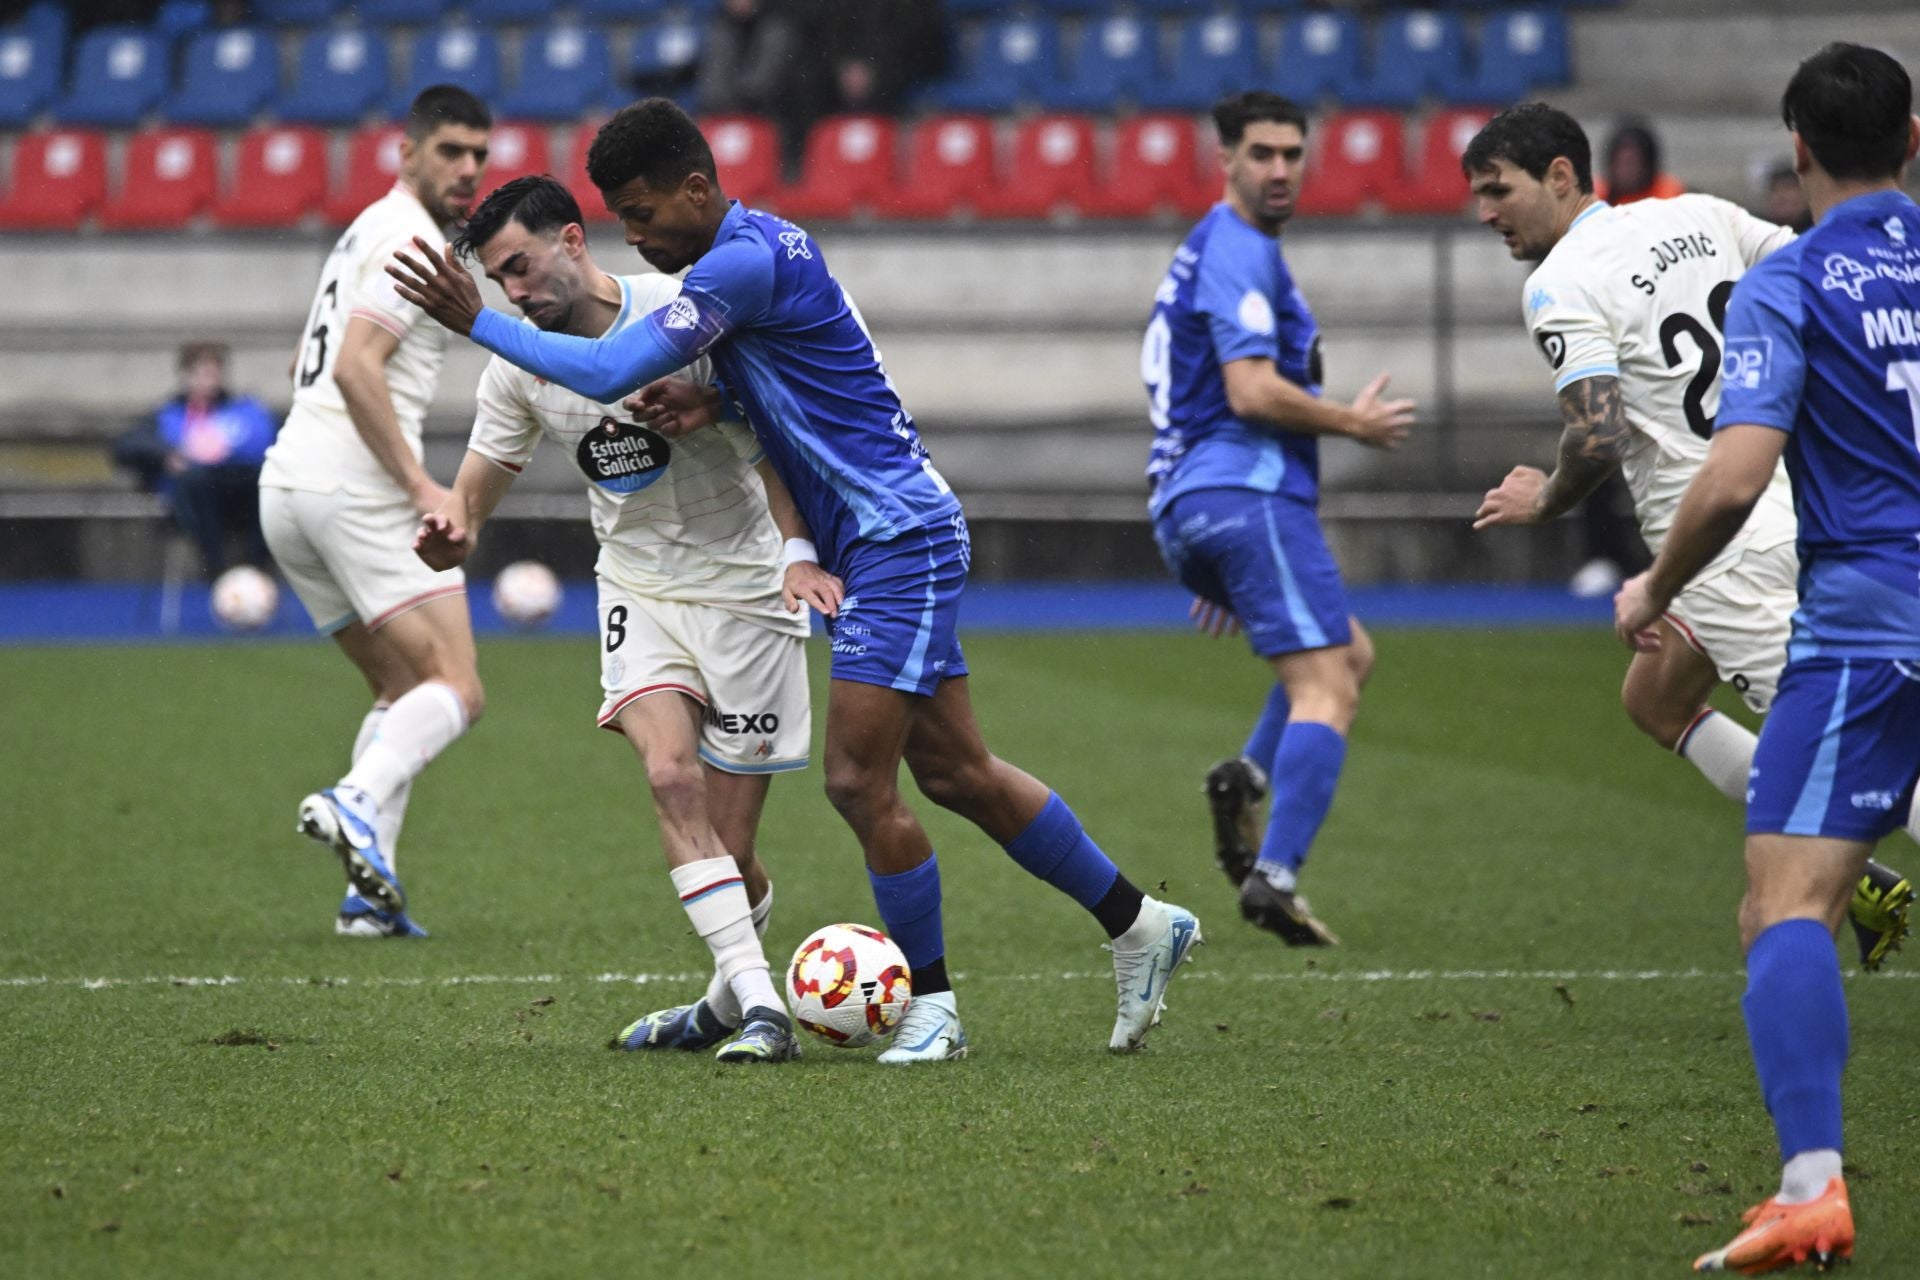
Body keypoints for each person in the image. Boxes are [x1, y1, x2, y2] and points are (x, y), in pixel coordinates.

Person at [388, 98, 1200, 1063]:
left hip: (897, 532)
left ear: (699, 188)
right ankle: (1142, 924)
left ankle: (932, 1003)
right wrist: (715, 396)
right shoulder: (745, 259)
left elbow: (608, 372)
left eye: (642, 213)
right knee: (956, 772)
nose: (636, 235)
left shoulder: (740, 261)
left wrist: (476, 318)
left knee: (860, 781)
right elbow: (804, 370)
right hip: (866, 540)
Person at [1465, 102, 1915, 972]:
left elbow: (1595, 435)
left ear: (1562, 175)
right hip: (1794, 503)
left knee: (1873, 752)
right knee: (1655, 699)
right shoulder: (1698, 215)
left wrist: (1548, 498)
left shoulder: (1558, 284)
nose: (1486, 212)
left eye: (1498, 189)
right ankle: (1861, 881)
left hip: (1724, 554)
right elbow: (1817, 280)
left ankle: (1829, 863)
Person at [412, 175, 842, 1063]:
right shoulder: (518, 365)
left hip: (750, 591)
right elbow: (483, 480)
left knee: (733, 850)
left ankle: (722, 1007)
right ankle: (765, 1007)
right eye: (498, 283)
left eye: (522, 267)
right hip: (638, 589)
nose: (515, 294)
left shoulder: (684, 315)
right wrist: (457, 527)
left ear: (573, 239)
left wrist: (798, 551)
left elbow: (772, 447)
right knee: (669, 778)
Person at [1614, 43, 1920, 1272]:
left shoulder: (1792, 281)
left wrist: (1659, 582)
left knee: (1784, 903)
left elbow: (1736, 474)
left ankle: (1812, 1187)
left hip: (1864, 619)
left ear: (1796, 148)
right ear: (1913, 138)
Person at [1140, 91, 1412, 948]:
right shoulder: (1237, 250)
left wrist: (1212, 552)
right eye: (1262, 153)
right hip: (1243, 496)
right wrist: (1355, 422)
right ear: (1224, 158)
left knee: (1351, 651)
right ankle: (1277, 874)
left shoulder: (1213, 252)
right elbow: (1250, 391)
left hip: (1200, 503)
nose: (1281, 169)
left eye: (1294, 153)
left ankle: (1247, 777)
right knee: (1327, 684)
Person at [257, 85, 491, 939]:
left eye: (478, 155)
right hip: (354, 486)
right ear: (408, 152)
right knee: (458, 687)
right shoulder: (414, 237)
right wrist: (420, 486)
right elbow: (358, 367)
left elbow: (304, 361)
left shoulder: (366, 225)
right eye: (451, 152)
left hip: (289, 483)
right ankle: (354, 800)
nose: (468, 169)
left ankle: (368, 900)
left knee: (401, 684)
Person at [113, 341, 275, 578]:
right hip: (195, 508)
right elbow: (125, 446)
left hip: (243, 503)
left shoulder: (246, 412)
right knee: (196, 479)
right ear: (186, 375)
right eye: (201, 373)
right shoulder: (167, 416)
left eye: (214, 372)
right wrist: (167, 454)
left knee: (266, 482)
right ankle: (216, 572)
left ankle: (254, 570)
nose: (209, 380)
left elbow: (275, 439)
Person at [1594, 119, 1686, 205]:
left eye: (1630, 163)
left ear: (1647, 165)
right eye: (1618, 163)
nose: (1624, 170)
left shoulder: (1668, 196)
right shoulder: (1597, 194)